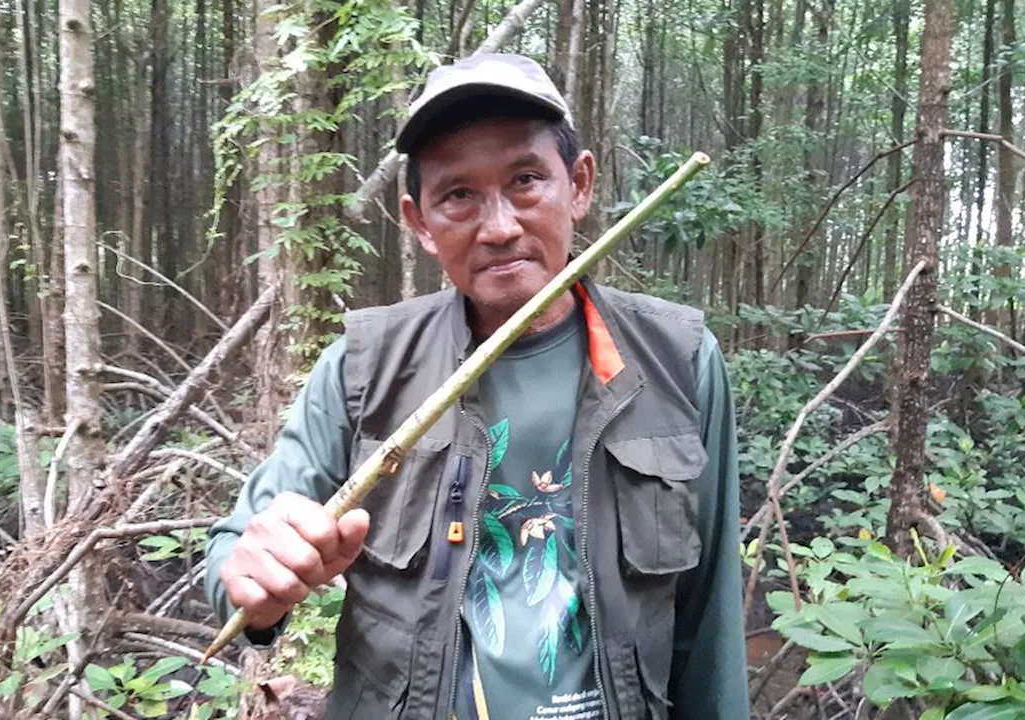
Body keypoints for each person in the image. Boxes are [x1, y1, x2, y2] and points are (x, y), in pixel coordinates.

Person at [205, 53, 748, 720]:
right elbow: (238, 556)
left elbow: (710, 618)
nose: (498, 227)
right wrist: (255, 580)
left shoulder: (677, 359)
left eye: (526, 180)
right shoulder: (363, 366)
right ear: (420, 221)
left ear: (578, 185)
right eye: (458, 194)